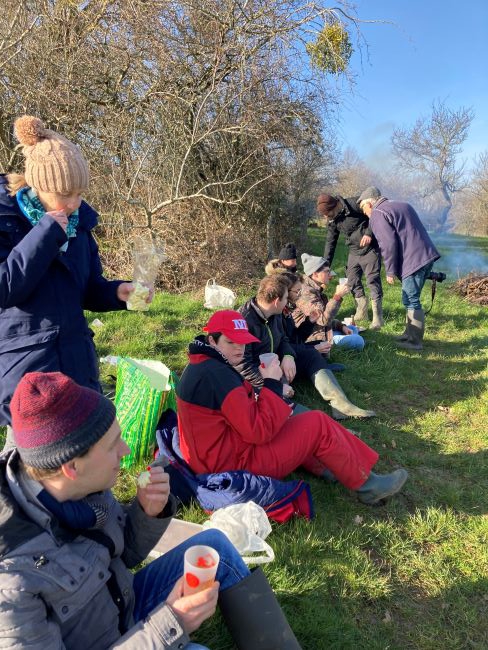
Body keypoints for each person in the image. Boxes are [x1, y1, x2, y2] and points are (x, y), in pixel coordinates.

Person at [0, 371, 301, 649]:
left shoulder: (76, 486)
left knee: (216, 546)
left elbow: (123, 555)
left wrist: (147, 513)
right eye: (112, 446)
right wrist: (172, 623)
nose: (126, 451)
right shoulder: (12, 583)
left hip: (120, 604)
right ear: (72, 467)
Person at [0, 115, 144, 449]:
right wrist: (47, 233)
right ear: (38, 185)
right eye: (65, 193)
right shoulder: (7, 219)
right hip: (29, 367)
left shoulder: (79, 225)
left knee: (89, 461)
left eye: (79, 193)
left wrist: (117, 292)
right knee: (30, 467)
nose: (74, 203)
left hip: (77, 361)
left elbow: (88, 288)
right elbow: (6, 287)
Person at [176, 310, 407, 503]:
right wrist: (272, 384)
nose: (239, 349)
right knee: (315, 424)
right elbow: (258, 431)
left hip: (215, 455)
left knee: (298, 419)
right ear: (212, 341)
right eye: (230, 342)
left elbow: (239, 417)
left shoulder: (201, 365)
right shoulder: (218, 376)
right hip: (231, 465)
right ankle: (367, 486)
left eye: (243, 342)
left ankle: (334, 467)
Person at [237, 274, 375, 419]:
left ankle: (342, 406)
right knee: (281, 408)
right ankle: (320, 428)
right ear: (277, 301)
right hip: (260, 377)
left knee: (311, 355)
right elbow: (243, 365)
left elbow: (284, 339)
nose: (289, 303)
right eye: (286, 298)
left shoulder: (274, 312)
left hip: (277, 365)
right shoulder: (244, 320)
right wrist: (273, 384)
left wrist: (288, 356)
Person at [358, 187, 441, 350]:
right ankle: (408, 334)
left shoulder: (377, 213)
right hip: (427, 255)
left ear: (369, 202)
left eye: (363, 208)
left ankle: (414, 342)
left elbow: (388, 244)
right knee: (410, 298)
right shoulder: (402, 205)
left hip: (413, 259)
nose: (365, 213)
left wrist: (390, 270)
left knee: (411, 299)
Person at [317, 193, 383, 329]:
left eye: (328, 214)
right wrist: (325, 266)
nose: (327, 218)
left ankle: (378, 318)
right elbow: (330, 242)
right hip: (353, 251)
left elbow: (375, 215)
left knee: (372, 280)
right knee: (352, 280)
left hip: (370, 249)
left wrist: (369, 233)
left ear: (334, 206)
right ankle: (362, 312)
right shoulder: (333, 220)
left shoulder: (355, 204)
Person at [292, 253, 365, 351]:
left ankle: (349, 343)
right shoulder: (306, 292)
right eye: (327, 271)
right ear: (315, 274)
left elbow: (325, 318)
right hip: (313, 338)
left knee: (352, 329)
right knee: (358, 340)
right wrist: (337, 296)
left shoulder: (315, 289)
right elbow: (323, 320)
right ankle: (348, 346)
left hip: (323, 330)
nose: (331, 275)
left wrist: (341, 326)